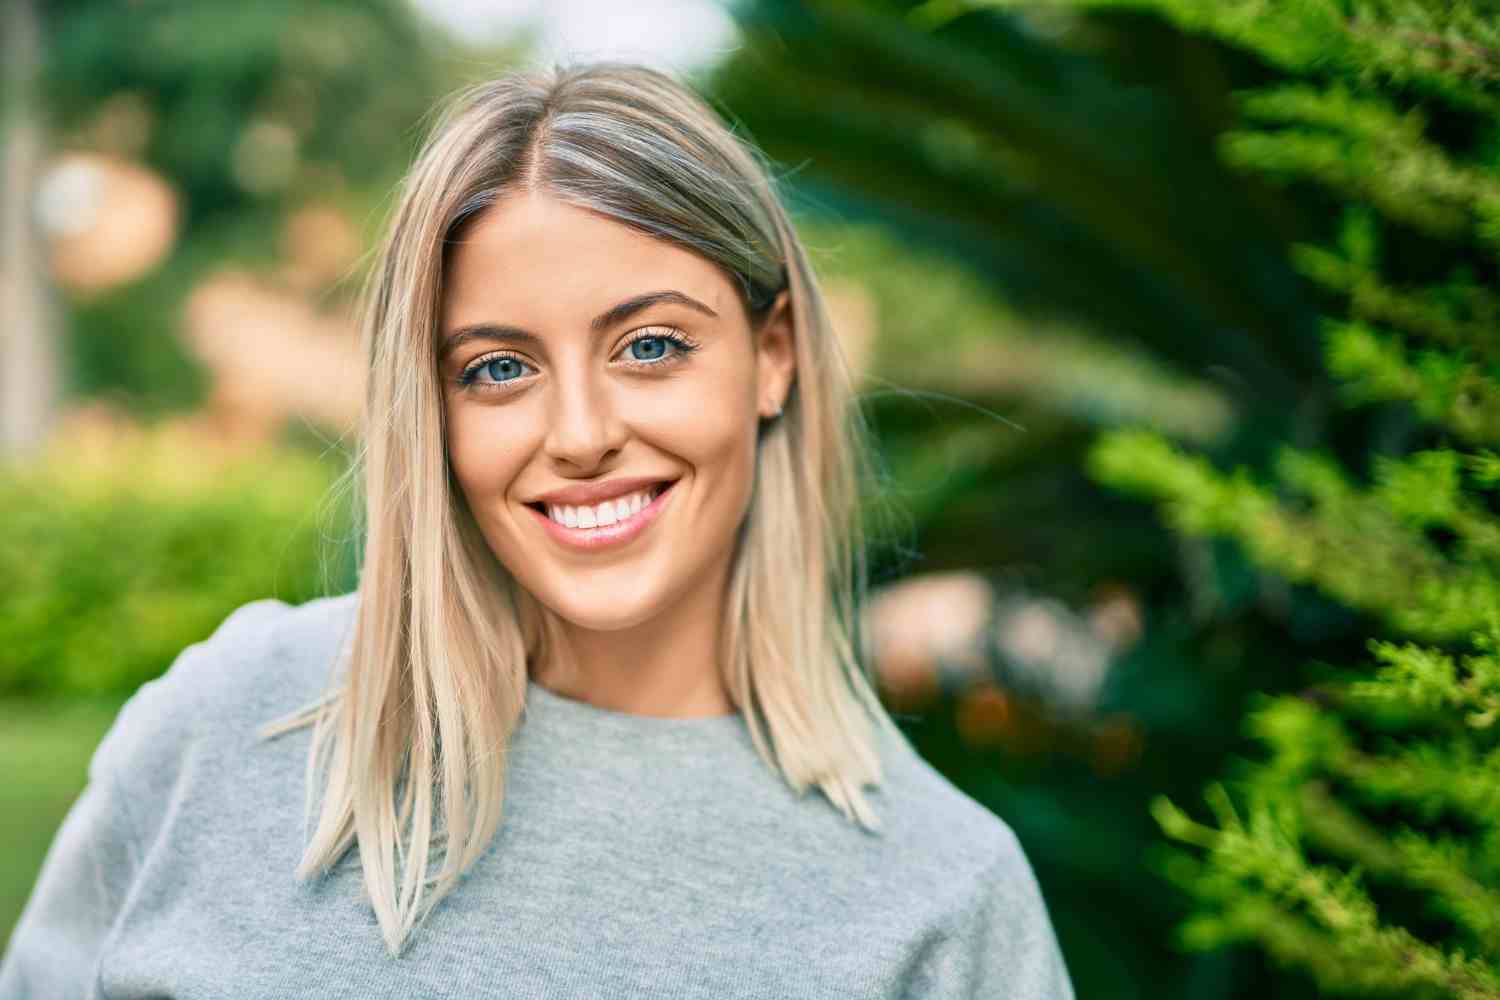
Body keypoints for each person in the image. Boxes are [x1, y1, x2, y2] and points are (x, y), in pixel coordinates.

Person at [0, 61, 1075, 999]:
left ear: (776, 352)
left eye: (650, 346)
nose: (579, 433)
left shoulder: (945, 900)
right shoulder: (226, 723)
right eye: (499, 368)